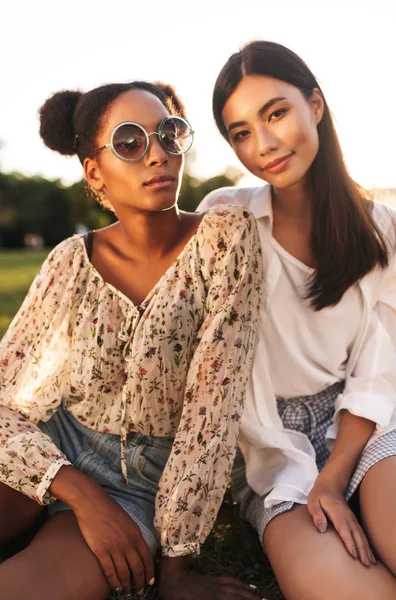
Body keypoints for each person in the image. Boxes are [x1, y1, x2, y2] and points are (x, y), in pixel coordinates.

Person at [0, 80, 264, 600]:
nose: (158, 154)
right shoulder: (69, 261)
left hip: (140, 483)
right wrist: (73, 487)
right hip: (54, 444)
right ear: (93, 169)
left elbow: (213, 408)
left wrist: (177, 560)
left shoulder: (226, 239)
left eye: (170, 134)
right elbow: (6, 395)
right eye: (130, 142)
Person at [197, 40, 396, 599]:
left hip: (364, 424)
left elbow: (378, 371)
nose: (263, 145)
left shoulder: (384, 229)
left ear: (316, 104)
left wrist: (335, 479)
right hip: (269, 444)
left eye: (276, 113)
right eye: (240, 132)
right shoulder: (227, 218)